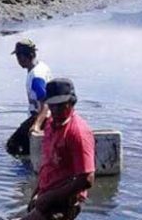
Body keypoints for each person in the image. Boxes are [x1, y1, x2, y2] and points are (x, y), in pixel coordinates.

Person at [23, 78, 95, 220]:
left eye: (61, 105)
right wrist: (37, 193)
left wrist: (50, 197)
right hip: (46, 195)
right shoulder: (50, 123)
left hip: (65, 201)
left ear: (71, 103)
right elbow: (48, 164)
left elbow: (87, 179)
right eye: (52, 105)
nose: (55, 110)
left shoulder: (78, 132)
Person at [6, 39, 52, 156]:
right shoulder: (41, 66)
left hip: (40, 118)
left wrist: (36, 125)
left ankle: (26, 171)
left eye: (18, 56)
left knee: (12, 146)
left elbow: (45, 103)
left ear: (24, 57)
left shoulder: (36, 77)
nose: (18, 60)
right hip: (43, 117)